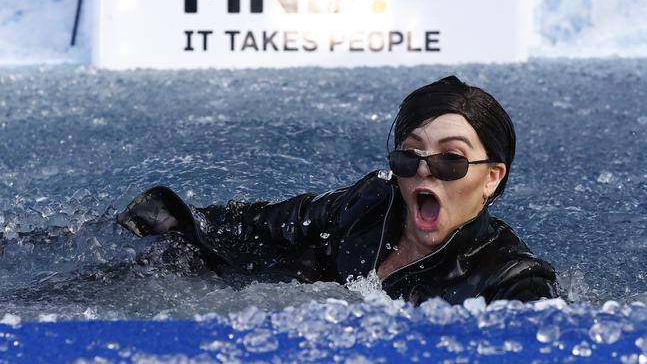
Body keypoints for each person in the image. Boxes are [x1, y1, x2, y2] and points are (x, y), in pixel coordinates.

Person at [117, 75, 559, 305]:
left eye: (450, 160)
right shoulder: (372, 203)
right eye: (409, 156)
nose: (425, 172)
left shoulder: (513, 281)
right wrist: (183, 221)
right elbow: (267, 225)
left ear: (492, 176)